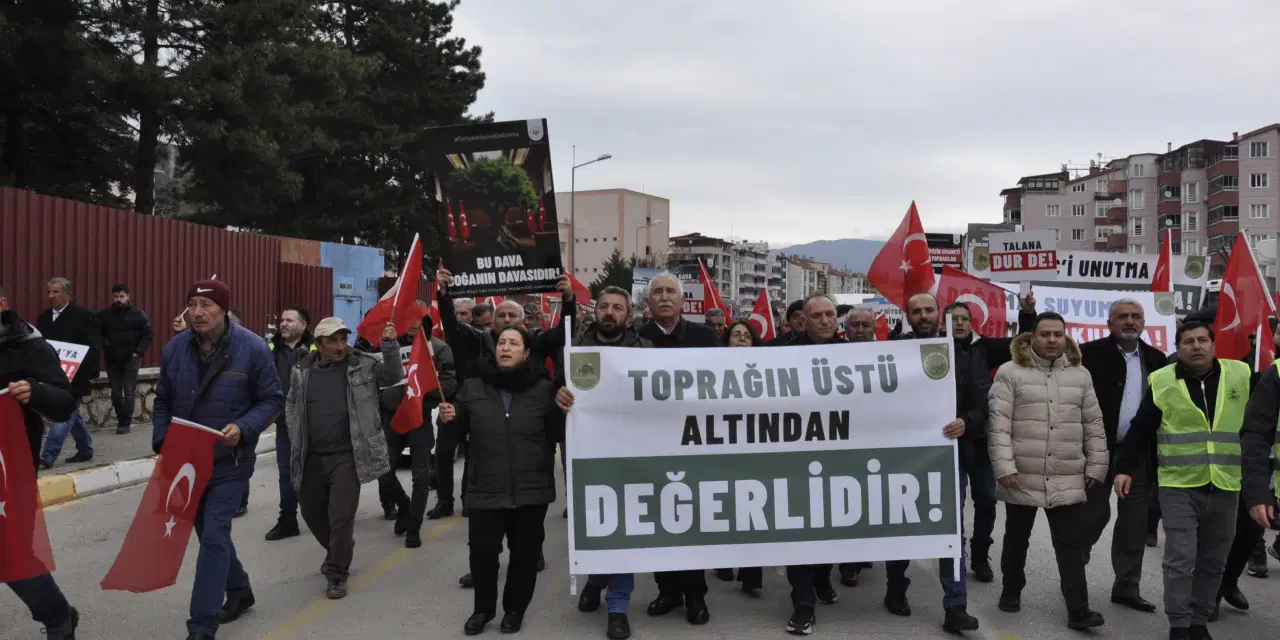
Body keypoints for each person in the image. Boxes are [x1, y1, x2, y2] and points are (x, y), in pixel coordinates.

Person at [152, 279, 284, 640]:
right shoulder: (175, 349)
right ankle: (239, 590)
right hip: (187, 464)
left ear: (224, 310)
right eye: (192, 304)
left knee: (213, 536)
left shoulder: (253, 348)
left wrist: (243, 427)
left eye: (205, 305)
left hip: (230, 461)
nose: (197, 312)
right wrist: (163, 440)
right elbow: (162, 400)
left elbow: (272, 399)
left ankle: (201, 627)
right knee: (209, 535)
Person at [1115, 322, 1248, 640]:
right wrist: (1125, 468)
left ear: (1214, 345)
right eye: (1188, 341)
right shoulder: (1162, 380)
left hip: (1226, 484)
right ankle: (1178, 623)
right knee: (1181, 558)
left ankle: (1199, 621)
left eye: (1203, 340)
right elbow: (1141, 427)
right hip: (1179, 485)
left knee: (1214, 559)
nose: (1197, 346)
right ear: (1179, 348)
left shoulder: (1242, 374)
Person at [438, 326, 563, 635]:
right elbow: (455, 435)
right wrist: (450, 418)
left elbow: (559, 435)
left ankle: (514, 610)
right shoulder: (473, 386)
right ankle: (483, 610)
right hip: (485, 488)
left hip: (531, 489)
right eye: (502, 342)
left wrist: (565, 409)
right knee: (482, 555)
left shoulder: (543, 388)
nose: (506, 347)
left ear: (527, 352)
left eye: (514, 343)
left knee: (525, 556)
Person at [988, 312, 1107, 629]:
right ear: (1032, 337)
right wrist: (1004, 466)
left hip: (1067, 472)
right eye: (1046, 334)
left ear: (1066, 338)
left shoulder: (1081, 375)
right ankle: (1011, 591)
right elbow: (998, 426)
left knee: (1070, 543)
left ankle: (1078, 610)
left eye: (1059, 334)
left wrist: (1097, 464)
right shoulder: (1010, 373)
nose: (1053, 340)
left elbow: (1093, 425)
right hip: (1021, 472)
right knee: (1017, 539)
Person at [552, 285, 652, 640]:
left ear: (629, 313)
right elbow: (557, 391)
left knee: (623, 528)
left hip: (631, 456)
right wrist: (559, 394)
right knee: (595, 522)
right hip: (588, 453)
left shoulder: (645, 351)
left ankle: (618, 606)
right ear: (595, 311)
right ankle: (595, 579)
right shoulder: (575, 350)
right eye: (604, 306)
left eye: (618, 307)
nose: (610, 313)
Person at [884, 292, 981, 634]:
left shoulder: (962, 354)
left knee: (951, 530)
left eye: (929, 310)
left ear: (940, 315)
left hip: (946, 455)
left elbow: (983, 404)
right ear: (908, 316)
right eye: (916, 311)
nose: (923, 315)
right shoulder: (891, 353)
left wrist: (967, 421)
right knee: (901, 523)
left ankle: (955, 606)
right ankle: (896, 588)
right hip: (901, 455)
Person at [287, 317, 400, 599]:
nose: (340, 346)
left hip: (348, 455)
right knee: (311, 512)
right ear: (319, 344)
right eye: (333, 341)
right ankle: (340, 547)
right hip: (310, 455)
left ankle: (337, 573)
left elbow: (392, 377)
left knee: (341, 516)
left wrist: (389, 345)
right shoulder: (302, 369)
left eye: (342, 339)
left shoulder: (364, 364)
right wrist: (294, 434)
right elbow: (291, 404)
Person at [0, 281, 82, 639]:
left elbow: (66, 403)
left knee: (11, 552)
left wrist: (34, 391)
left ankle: (57, 615)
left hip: (10, 469)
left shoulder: (29, 347)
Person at [636, 273, 719, 625]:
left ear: (684, 301)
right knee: (658, 521)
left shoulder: (705, 337)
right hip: (650, 444)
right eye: (658, 292)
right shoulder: (635, 340)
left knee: (690, 521)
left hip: (694, 442)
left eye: (671, 291)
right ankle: (667, 590)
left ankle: (695, 595)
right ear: (649, 302)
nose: (664, 297)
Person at [1078, 298, 1169, 613]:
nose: (1130, 321)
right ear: (1109, 323)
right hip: (1095, 452)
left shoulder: (1158, 361)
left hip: (1138, 456)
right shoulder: (1087, 355)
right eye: (1122, 316)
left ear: (1144, 323)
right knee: (1093, 515)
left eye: (1136, 316)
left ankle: (1127, 587)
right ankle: (1075, 565)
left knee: (1134, 524)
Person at [775, 295, 847, 635]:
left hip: (841, 458)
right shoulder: (782, 355)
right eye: (816, 315)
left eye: (829, 314)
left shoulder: (860, 355)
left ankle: (820, 579)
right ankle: (803, 604)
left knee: (830, 528)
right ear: (803, 319)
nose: (823, 320)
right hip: (795, 457)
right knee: (799, 531)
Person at [377, 306, 456, 549]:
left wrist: (424, 385)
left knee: (420, 476)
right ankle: (405, 506)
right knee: (383, 470)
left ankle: (414, 526)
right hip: (393, 417)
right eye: (407, 320)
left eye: (418, 320)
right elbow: (378, 376)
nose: (412, 325)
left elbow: (449, 383)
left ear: (427, 322)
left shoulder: (440, 348)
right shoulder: (391, 344)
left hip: (419, 417)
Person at [712, 319, 767, 601]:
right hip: (722, 445)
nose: (742, 339)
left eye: (747, 335)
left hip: (755, 447)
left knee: (753, 508)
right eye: (736, 334)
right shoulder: (711, 368)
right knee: (725, 505)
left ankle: (752, 574)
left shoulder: (768, 370)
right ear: (727, 339)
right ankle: (722, 560)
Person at [1238, 321, 1280, 615]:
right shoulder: (1276, 373)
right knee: (1243, 536)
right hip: (1271, 486)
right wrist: (1257, 492)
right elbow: (1255, 432)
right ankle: (1219, 587)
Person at [36, 277, 100, 468]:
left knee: (63, 414)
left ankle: (48, 455)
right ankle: (85, 449)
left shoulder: (83, 316)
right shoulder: (44, 317)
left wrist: (88, 372)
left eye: (55, 292)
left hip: (76, 377)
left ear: (67, 293)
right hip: (53, 375)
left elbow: (94, 346)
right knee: (74, 415)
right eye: (49, 292)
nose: (51, 296)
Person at [264, 306, 314, 542]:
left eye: (289, 320)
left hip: (314, 422)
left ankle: (323, 516)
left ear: (303, 325)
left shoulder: (316, 347)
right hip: (284, 422)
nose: (283, 323)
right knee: (286, 472)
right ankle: (287, 520)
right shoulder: (270, 348)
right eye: (281, 319)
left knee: (316, 472)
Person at [99, 283, 153, 434]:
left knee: (129, 391)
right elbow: (97, 333)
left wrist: (138, 352)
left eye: (122, 296)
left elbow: (148, 334)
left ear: (128, 297)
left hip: (131, 358)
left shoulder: (138, 314)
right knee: (116, 392)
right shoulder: (105, 315)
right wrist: (106, 345)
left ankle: (125, 423)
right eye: (116, 296)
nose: (119, 299)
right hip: (112, 358)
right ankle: (121, 419)